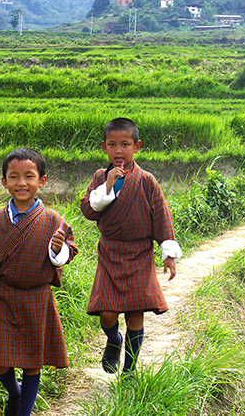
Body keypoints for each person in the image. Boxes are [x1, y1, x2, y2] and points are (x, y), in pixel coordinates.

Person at [0, 147, 78, 416]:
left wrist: (57, 250)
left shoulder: (53, 220)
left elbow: (69, 253)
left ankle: (23, 412)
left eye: (29, 176)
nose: (21, 183)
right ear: (4, 182)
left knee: (32, 363)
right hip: (5, 298)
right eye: (14, 177)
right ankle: (14, 393)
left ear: (42, 181)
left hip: (37, 298)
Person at [80, 117, 182, 375]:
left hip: (139, 254)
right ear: (104, 147)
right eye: (112, 145)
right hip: (110, 253)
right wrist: (107, 186)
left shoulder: (147, 181)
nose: (118, 150)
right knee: (107, 314)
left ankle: (129, 370)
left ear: (136, 147)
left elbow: (161, 216)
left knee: (136, 314)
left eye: (124, 144)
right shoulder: (99, 177)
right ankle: (113, 339)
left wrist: (168, 254)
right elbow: (88, 211)